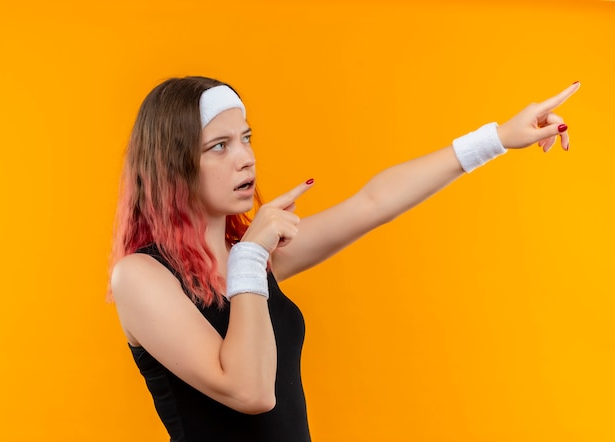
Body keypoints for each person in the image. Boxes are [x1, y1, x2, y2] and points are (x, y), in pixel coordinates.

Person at [108, 76, 580, 441]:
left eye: (246, 137)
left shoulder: (249, 261)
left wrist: (495, 138)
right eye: (220, 146)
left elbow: (372, 203)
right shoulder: (141, 276)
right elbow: (251, 392)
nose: (246, 158)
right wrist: (252, 253)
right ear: (173, 163)